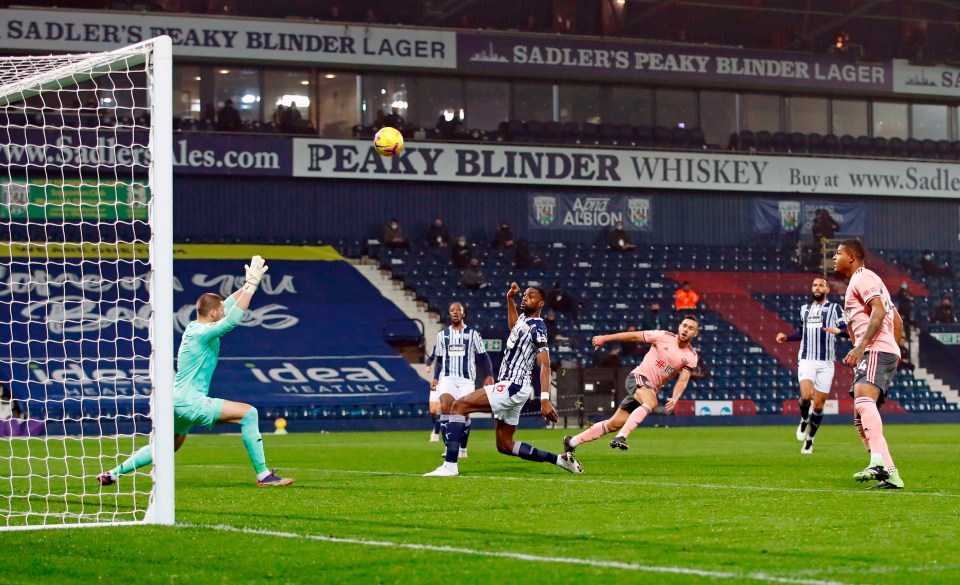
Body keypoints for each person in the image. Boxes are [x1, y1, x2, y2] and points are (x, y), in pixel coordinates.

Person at [97, 256, 293, 487]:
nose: (223, 312)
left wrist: (250, 283)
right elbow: (232, 321)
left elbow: (228, 305)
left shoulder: (195, 326)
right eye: (220, 311)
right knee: (249, 414)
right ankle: (264, 475)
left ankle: (113, 473)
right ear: (212, 313)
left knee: (166, 447)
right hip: (191, 402)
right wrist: (249, 288)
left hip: (176, 401)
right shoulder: (203, 333)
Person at [424, 283, 583, 476]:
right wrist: (510, 300)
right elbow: (513, 326)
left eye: (530, 296)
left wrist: (544, 399)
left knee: (458, 406)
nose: (525, 298)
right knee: (505, 445)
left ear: (541, 303)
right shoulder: (523, 320)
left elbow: (545, 364)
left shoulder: (538, 327)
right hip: (513, 387)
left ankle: (450, 466)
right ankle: (561, 460)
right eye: (524, 295)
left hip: (513, 387)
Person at [562, 315, 700, 454]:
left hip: (648, 389)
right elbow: (633, 336)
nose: (685, 330)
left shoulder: (691, 357)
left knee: (613, 424)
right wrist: (605, 338)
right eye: (684, 326)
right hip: (638, 377)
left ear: (695, 333)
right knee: (652, 402)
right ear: (679, 326)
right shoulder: (663, 336)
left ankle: (572, 441)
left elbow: (683, 380)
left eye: (690, 328)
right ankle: (621, 437)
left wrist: (675, 397)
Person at [833, 240, 905, 489]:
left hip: (874, 349)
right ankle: (891, 474)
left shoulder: (862, 278)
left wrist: (864, 347)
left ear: (851, 257)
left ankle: (877, 462)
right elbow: (897, 321)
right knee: (859, 416)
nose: (834, 257)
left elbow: (879, 312)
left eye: (838, 253)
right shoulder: (870, 280)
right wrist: (894, 350)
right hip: (879, 351)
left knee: (863, 400)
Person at [775, 276, 846, 454]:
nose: (817, 287)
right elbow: (802, 332)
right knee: (806, 396)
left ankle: (810, 439)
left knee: (819, 406)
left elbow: (846, 330)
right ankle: (804, 419)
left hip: (826, 362)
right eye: (814, 285)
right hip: (807, 359)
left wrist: (838, 331)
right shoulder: (804, 309)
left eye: (821, 285)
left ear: (827, 290)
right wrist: (787, 338)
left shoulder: (835, 308)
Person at [431, 302, 494, 459]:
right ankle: (449, 447)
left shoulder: (473, 334)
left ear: (463, 314)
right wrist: (435, 377)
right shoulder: (442, 335)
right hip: (447, 377)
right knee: (445, 405)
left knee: (463, 412)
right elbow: (439, 359)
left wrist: (489, 374)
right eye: (451, 310)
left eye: (457, 310)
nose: (454, 313)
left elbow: (483, 356)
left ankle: (463, 448)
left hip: (466, 380)